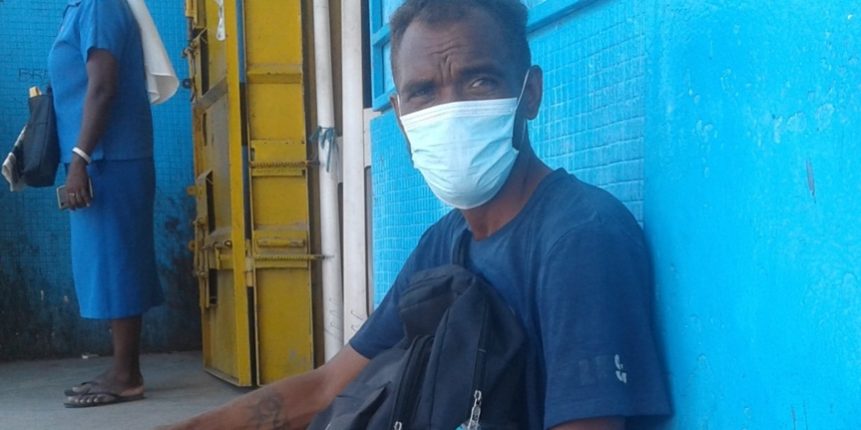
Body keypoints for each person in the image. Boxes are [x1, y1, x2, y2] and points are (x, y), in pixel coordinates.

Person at [167, 0, 670, 428]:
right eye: (423, 92)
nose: (449, 110)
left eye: (479, 82)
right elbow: (326, 388)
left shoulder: (579, 238)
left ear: (529, 94)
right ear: (402, 115)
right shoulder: (448, 241)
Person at [48, 0, 163, 407]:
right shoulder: (80, 7)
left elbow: (102, 86)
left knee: (118, 263)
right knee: (109, 263)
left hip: (108, 157)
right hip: (99, 156)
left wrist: (80, 158)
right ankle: (121, 368)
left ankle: (126, 375)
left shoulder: (99, 5)